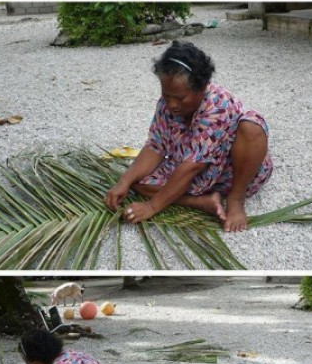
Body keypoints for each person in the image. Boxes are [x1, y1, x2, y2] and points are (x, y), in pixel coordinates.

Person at [104, 41, 273, 232]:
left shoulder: (216, 106)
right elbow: (156, 145)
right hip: (193, 170)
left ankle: (235, 199)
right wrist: (124, 181)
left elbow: (193, 167)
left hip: (233, 169)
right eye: (167, 96)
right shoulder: (167, 104)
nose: (172, 104)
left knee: (252, 127)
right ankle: (202, 202)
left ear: (201, 88)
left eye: (180, 98)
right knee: (138, 183)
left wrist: (152, 206)